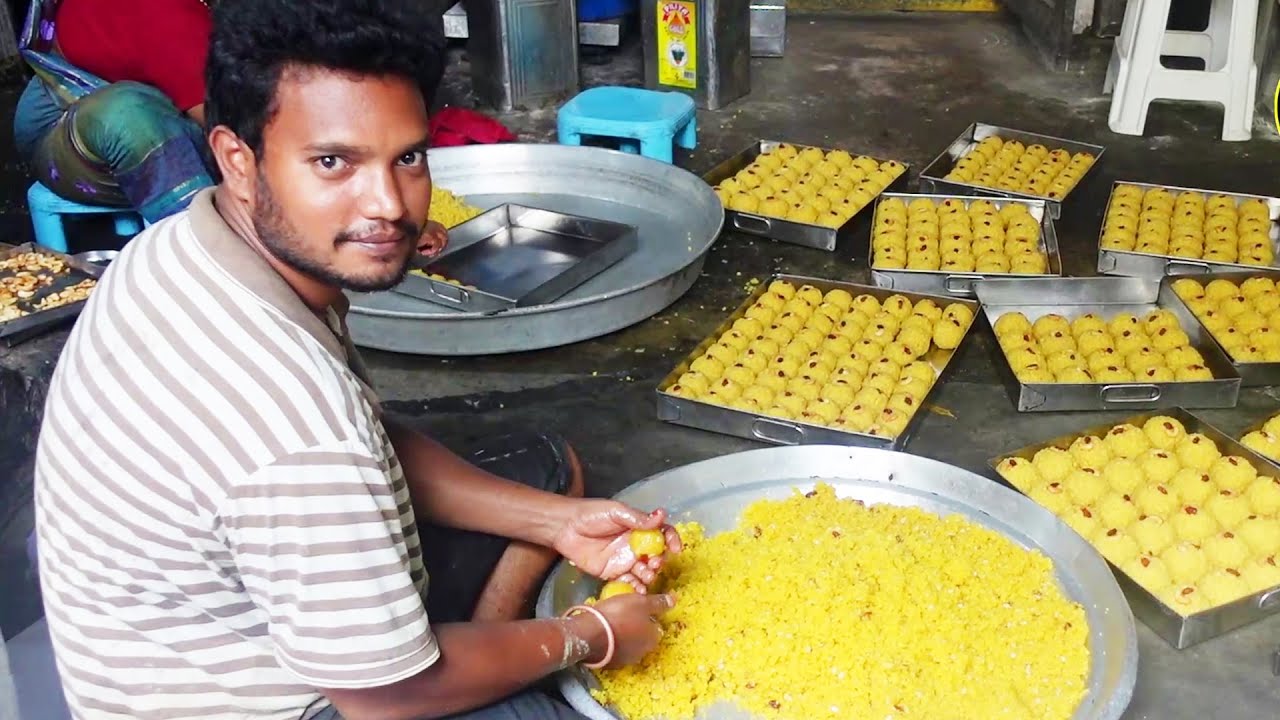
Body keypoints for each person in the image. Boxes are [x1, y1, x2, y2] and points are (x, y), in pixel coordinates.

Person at [32, 2, 677, 719]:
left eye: (406, 158)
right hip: (289, 703)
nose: (389, 207)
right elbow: (383, 695)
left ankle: (454, 642)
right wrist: (587, 636)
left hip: (205, 625)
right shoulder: (292, 428)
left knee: (551, 472)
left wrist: (556, 522)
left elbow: (368, 439)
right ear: (238, 160)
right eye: (333, 162)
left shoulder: (189, 243)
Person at [13, 0, 217, 222]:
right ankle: (198, 242)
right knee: (130, 118)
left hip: (137, 103)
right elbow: (223, 123)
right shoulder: (167, 13)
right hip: (66, 124)